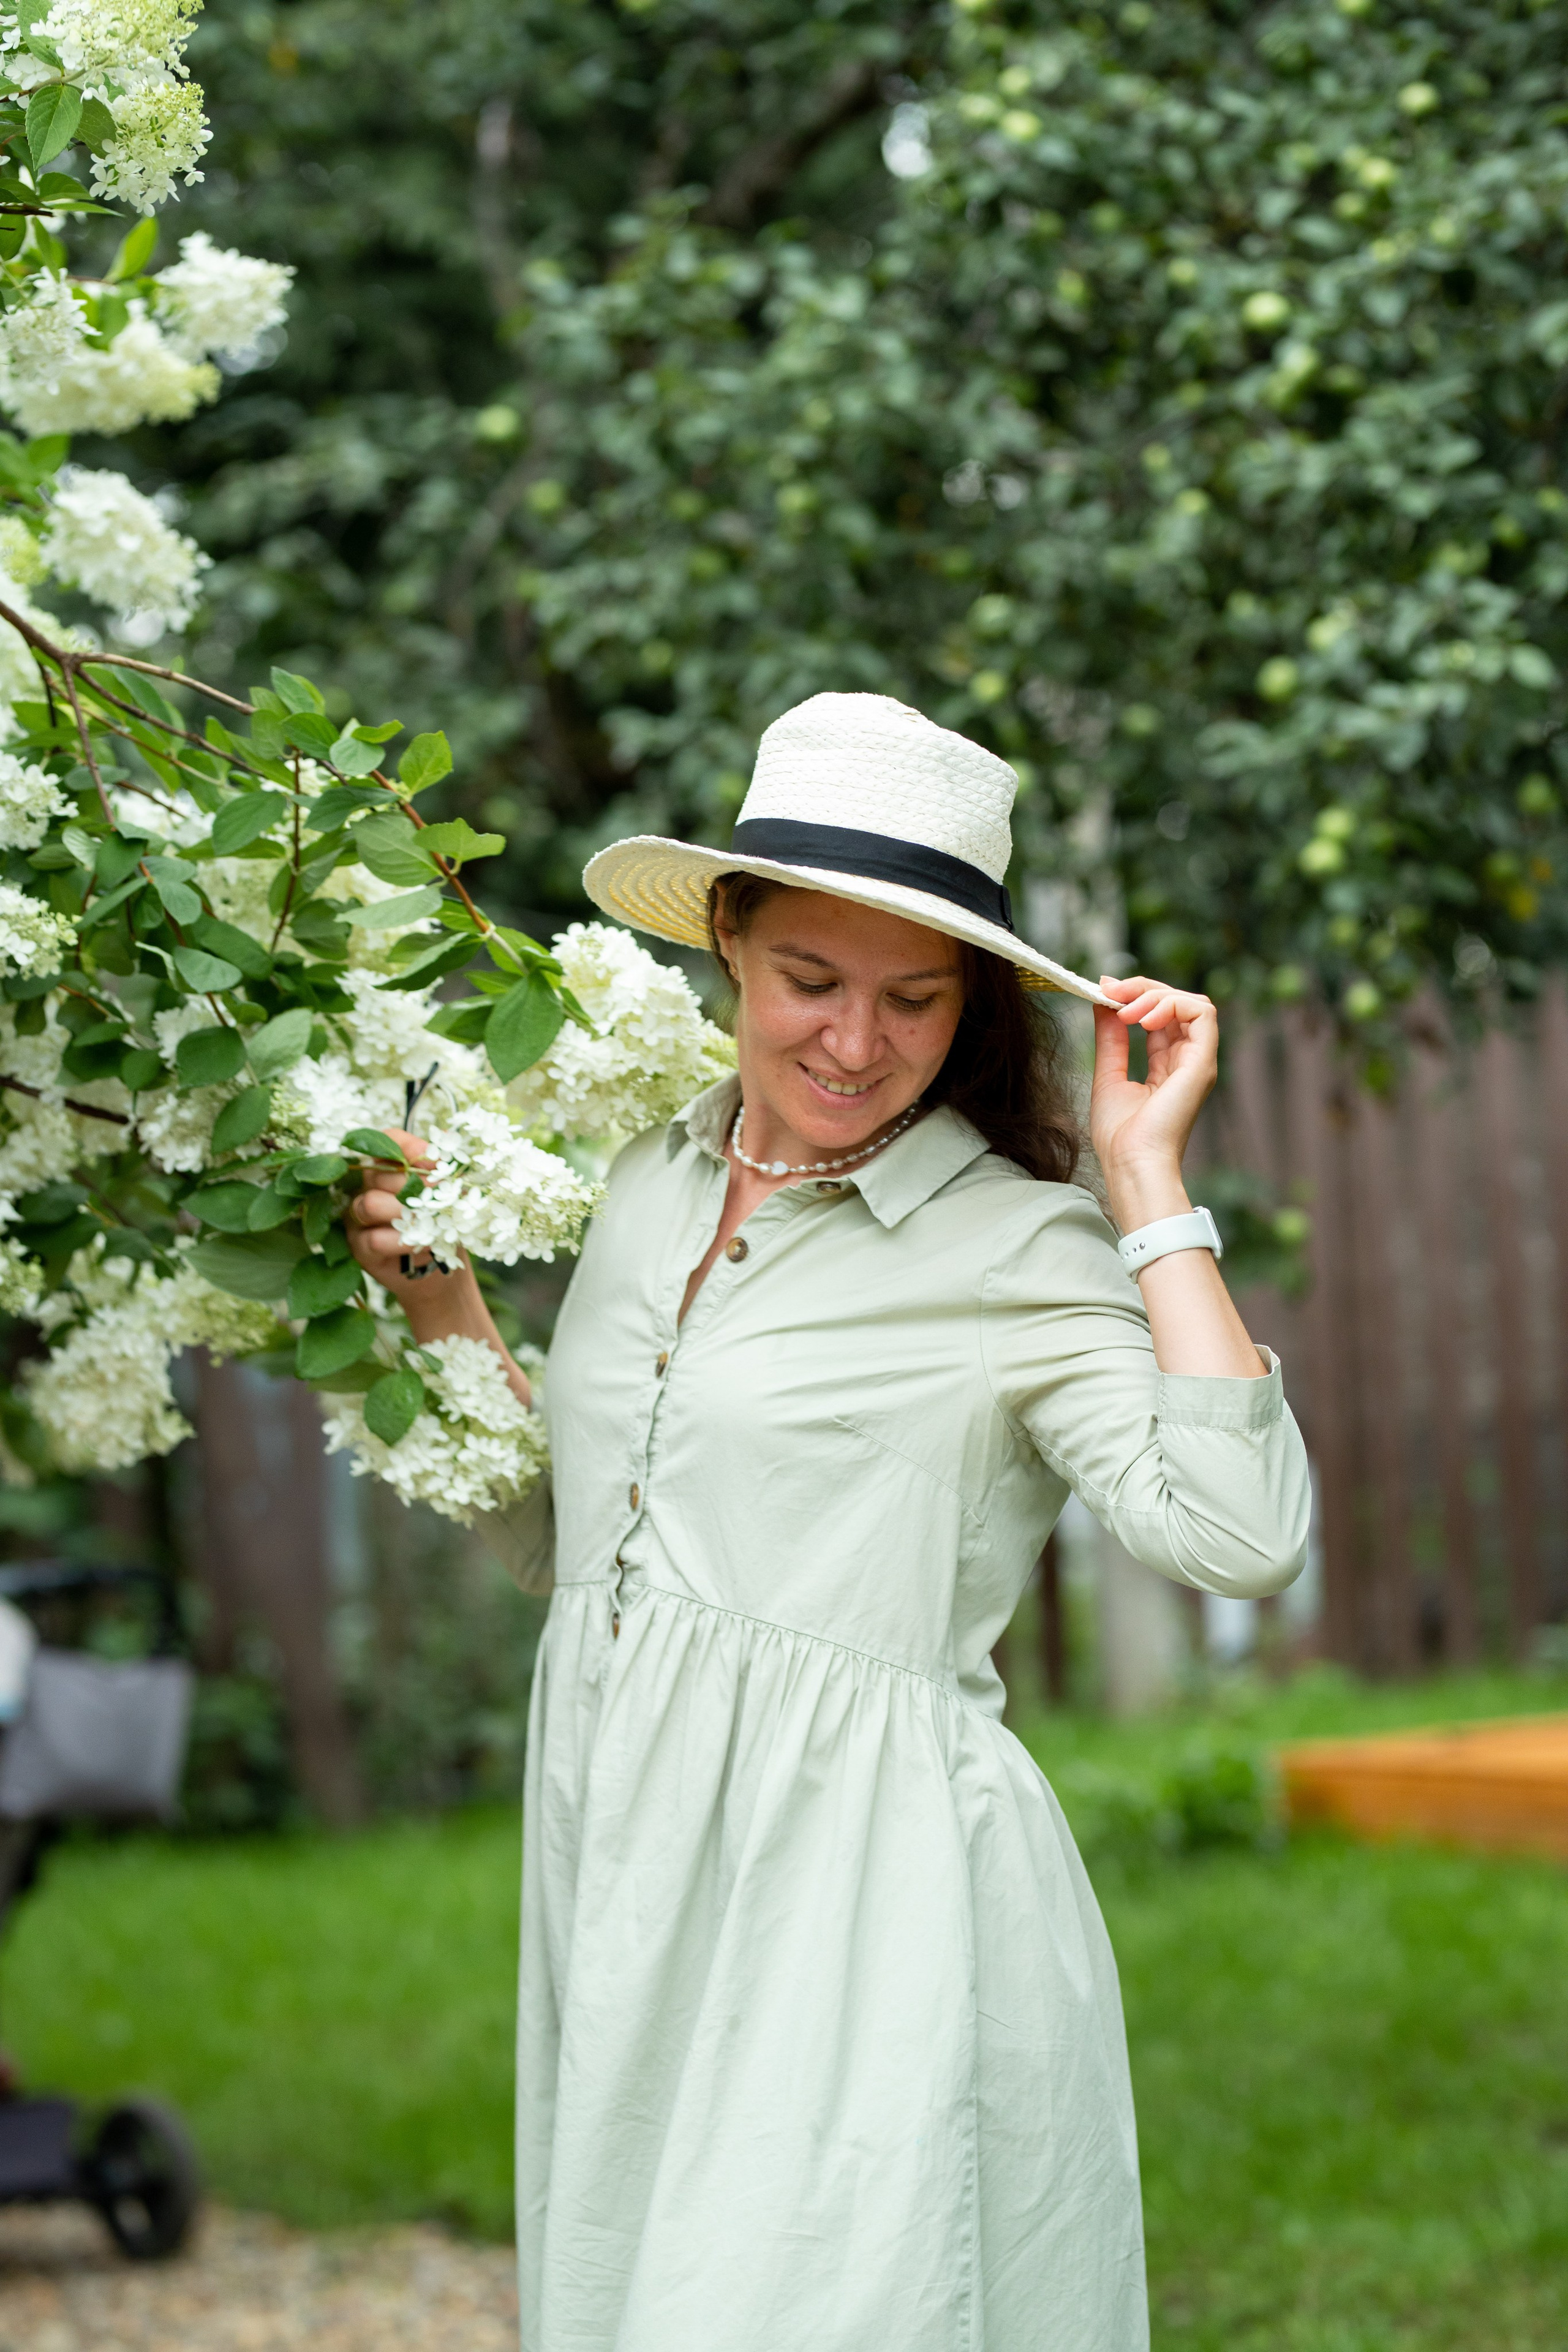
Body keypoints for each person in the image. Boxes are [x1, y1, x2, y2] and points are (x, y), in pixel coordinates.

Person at [346, 693, 1310, 2352]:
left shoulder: (1013, 1248)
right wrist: (437, 1304)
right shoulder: (645, 1180)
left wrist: (1149, 1187)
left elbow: (1241, 1534)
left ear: (972, 1008)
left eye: (914, 1001)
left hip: (869, 1898)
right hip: (629, 1866)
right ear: (730, 941)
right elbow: (579, 1556)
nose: (855, 1044)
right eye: (811, 981)